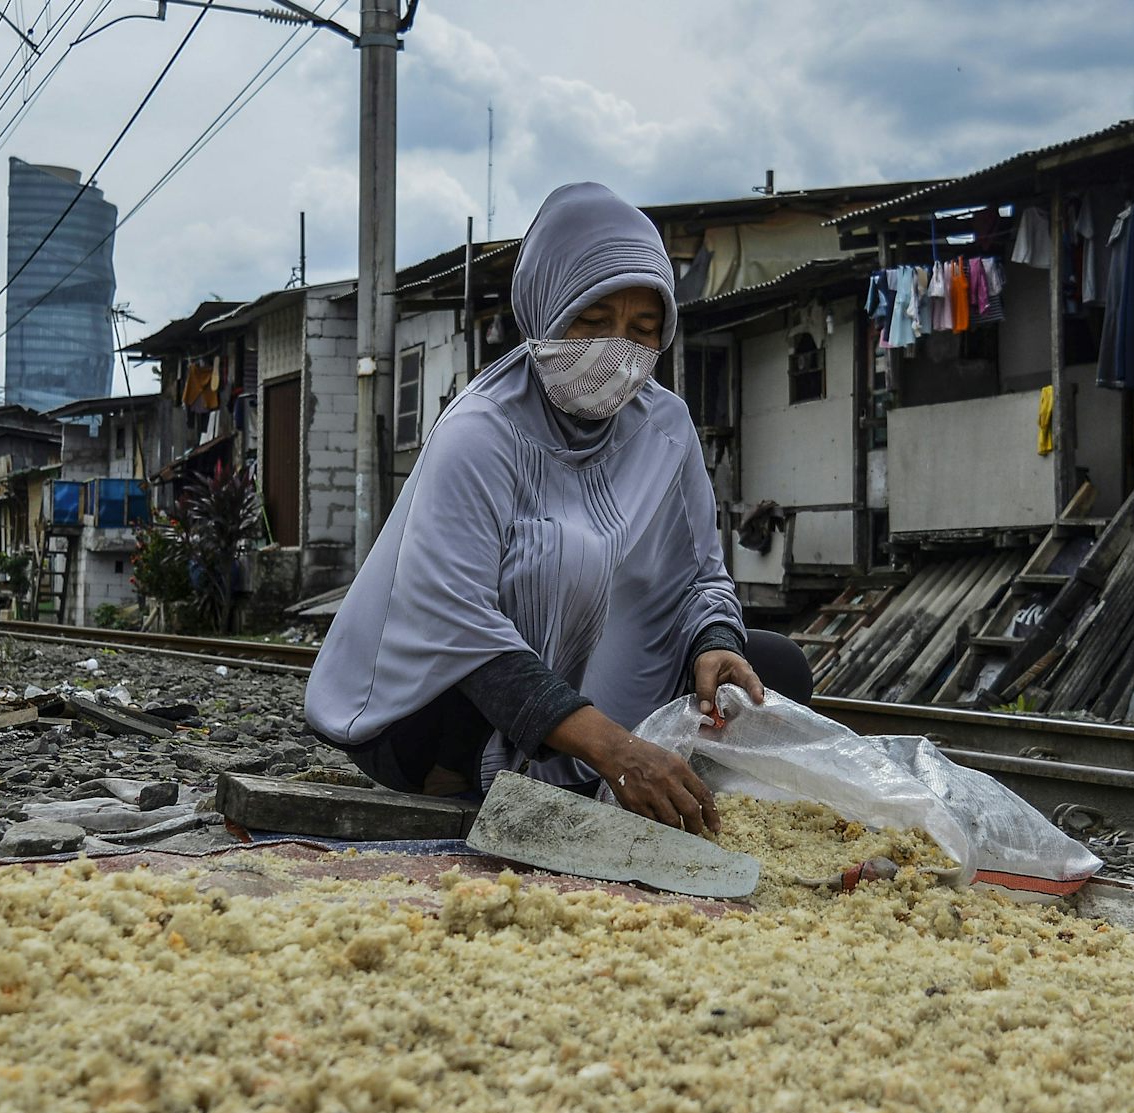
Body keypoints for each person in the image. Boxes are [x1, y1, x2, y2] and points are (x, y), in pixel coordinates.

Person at [305, 182, 812, 835]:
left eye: (642, 330)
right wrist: (616, 750)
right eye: (593, 322)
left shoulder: (666, 428)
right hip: (438, 723)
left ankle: (648, 776)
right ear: (546, 307)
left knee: (774, 670)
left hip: (610, 696)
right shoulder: (481, 431)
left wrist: (714, 644)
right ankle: (464, 780)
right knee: (543, 573)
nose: (616, 350)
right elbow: (453, 618)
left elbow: (701, 578)